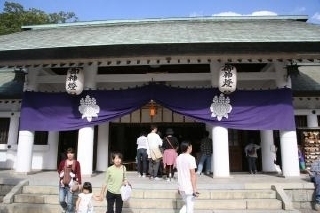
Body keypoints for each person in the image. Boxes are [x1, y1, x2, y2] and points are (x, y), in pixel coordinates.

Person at [176, 141, 198, 213]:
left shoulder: (178, 158)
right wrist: (194, 189)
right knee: (190, 207)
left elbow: (179, 172)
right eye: (191, 146)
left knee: (187, 204)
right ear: (188, 147)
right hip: (188, 186)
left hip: (181, 185)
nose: (191, 148)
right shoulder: (191, 158)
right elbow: (193, 174)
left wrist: (178, 187)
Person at [58, 147, 82, 213]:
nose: (70, 154)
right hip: (62, 185)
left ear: (74, 154)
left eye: (71, 153)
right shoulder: (63, 162)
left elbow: (78, 173)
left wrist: (79, 183)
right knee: (61, 200)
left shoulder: (76, 163)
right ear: (67, 154)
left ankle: (69, 211)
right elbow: (59, 170)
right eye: (68, 153)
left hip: (71, 186)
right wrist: (62, 175)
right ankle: (67, 209)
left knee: (69, 202)